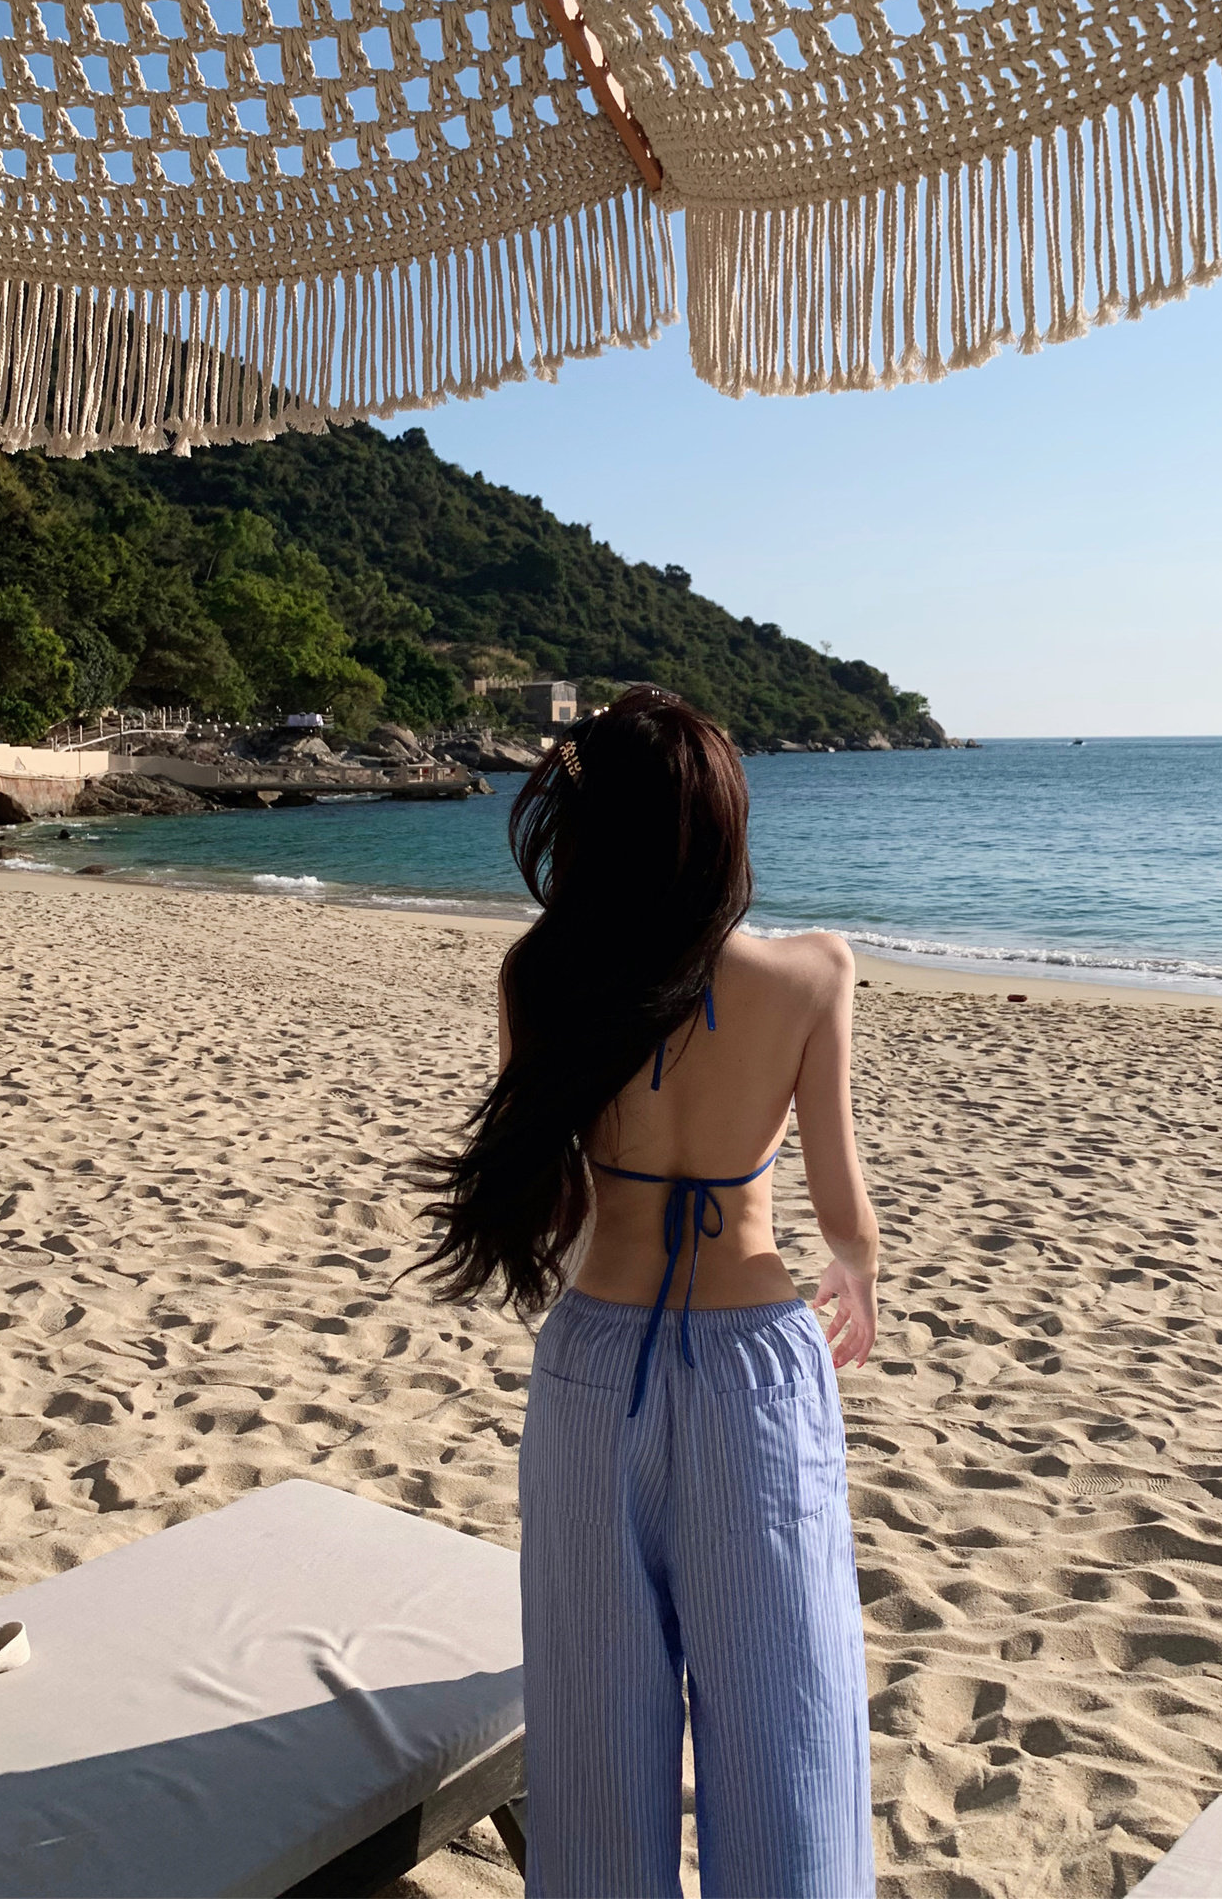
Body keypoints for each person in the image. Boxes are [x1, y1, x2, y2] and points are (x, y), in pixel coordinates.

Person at [418, 687, 878, 1899]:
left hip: (593, 1366)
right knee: (786, 1717)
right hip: (750, 1367)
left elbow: (559, 1202)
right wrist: (858, 1273)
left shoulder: (541, 976)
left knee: (593, 1722)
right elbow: (842, 1207)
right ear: (720, 826)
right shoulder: (813, 972)